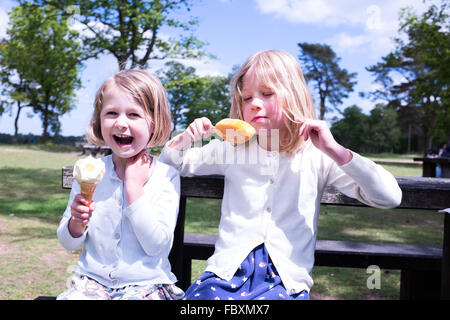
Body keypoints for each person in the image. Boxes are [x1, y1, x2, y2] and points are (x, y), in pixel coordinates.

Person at [159, 50, 402, 300]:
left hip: (285, 284)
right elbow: (170, 163)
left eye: (267, 94)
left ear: (293, 95)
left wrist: (335, 150)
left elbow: (389, 196)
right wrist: (188, 138)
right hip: (224, 276)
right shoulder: (232, 149)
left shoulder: (317, 155)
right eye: (247, 98)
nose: (254, 103)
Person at [57, 70, 184, 300]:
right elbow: (67, 242)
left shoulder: (166, 176)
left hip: (147, 285)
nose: (121, 123)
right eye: (112, 113)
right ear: (98, 120)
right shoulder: (89, 172)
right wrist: (76, 222)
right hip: (91, 283)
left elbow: (157, 246)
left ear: (154, 123)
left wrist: (133, 187)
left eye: (134, 114)